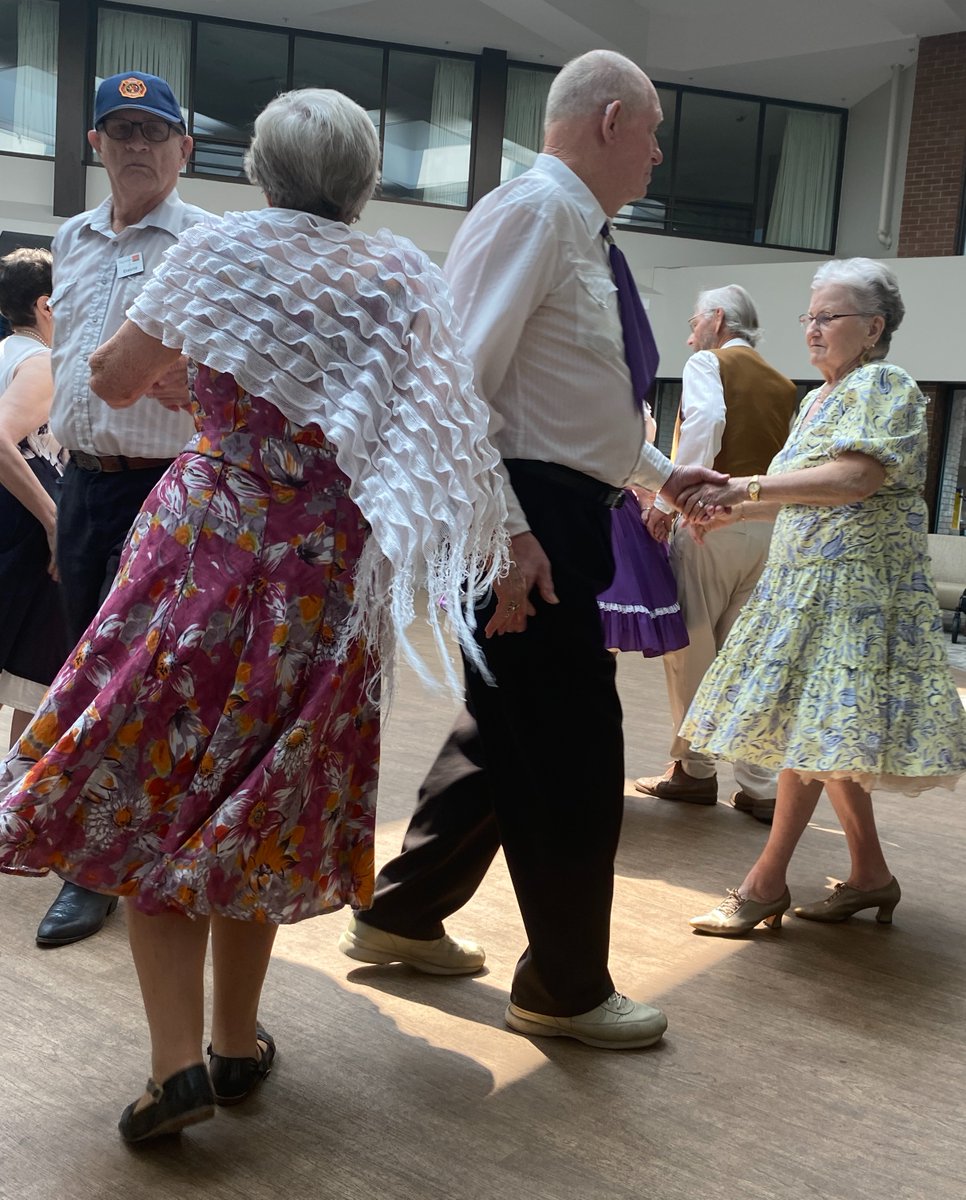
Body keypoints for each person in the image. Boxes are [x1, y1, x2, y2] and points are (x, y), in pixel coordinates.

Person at [0, 88, 506, 1141]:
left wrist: (201, 386)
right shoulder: (401, 272)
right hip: (325, 567)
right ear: (365, 180)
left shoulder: (221, 250)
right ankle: (236, 1045)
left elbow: (116, 377)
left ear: (262, 171)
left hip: (208, 544)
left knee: (160, 783)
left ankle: (176, 1067)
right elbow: (431, 424)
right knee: (260, 800)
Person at [339, 49, 724, 1049]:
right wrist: (505, 532)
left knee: (508, 734)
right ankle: (564, 987)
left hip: (551, 512)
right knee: (573, 752)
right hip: (528, 522)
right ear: (611, 119)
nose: (657, 154)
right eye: (652, 132)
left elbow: (564, 405)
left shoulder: (574, 228)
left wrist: (660, 475)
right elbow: (456, 385)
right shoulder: (537, 213)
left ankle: (400, 913)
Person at [679, 258, 966, 935]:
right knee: (828, 735)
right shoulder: (817, 399)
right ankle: (870, 876)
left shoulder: (885, 385)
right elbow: (805, 495)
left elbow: (854, 479)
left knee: (812, 734)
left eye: (828, 317)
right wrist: (727, 510)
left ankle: (764, 884)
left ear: (873, 328)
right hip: (807, 591)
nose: (812, 328)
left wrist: (742, 488)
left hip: (854, 598)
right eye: (808, 317)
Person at [35, 70, 211, 948]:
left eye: (154, 131)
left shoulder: (209, 243)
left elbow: (243, 367)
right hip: (84, 486)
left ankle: (100, 869)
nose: (138, 145)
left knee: (137, 682)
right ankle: (91, 843)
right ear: (96, 144)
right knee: (82, 666)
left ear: (185, 148)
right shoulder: (70, 237)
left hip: (167, 490)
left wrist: (200, 380)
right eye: (122, 130)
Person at [635, 286, 797, 821]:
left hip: (710, 524)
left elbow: (704, 425)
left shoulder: (708, 362)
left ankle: (694, 771)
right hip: (768, 528)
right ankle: (760, 785)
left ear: (717, 319)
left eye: (693, 323)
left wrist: (671, 500)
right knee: (747, 657)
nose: (690, 337)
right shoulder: (783, 383)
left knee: (692, 648)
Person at [0, 248, 69, 750]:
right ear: (46, 305)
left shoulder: (7, 353)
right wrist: (52, 521)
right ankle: (14, 791)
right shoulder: (41, 361)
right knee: (35, 680)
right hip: (23, 522)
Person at [596, 403, 688, 657]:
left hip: (614, 507)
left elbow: (636, 460)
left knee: (605, 626)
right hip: (594, 508)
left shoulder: (631, 401)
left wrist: (650, 500)